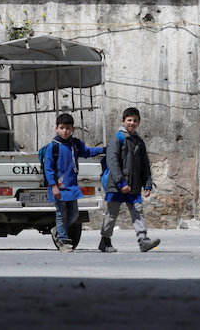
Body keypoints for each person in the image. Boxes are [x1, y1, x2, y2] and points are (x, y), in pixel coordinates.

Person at [99, 107, 160, 253]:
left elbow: (144, 164)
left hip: (133, 185)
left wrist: (147, 183)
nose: (132, 123)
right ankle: (105, 241)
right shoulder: (117, 139)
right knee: (111, 214)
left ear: (139, 122)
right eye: (129, 120)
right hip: (116, 185)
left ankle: (143, 241)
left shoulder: (139, 141)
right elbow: (112, 162)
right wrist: (121, 183)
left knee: (137, 212)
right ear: (123, 121)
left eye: (135, 120)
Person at [43, 112, 105, 253]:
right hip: (59, 187)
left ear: (73, 129)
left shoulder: (75, 144)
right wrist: (53, 186)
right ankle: (63, 242)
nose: (65, 131)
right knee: (61, 214)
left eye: (68, 128)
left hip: (71, 187)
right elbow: (49, 168)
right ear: (56, 128)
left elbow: (88, 152)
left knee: (74, 214)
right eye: (62, 128)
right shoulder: (53, 147)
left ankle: (58, 231)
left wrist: (103, 150)